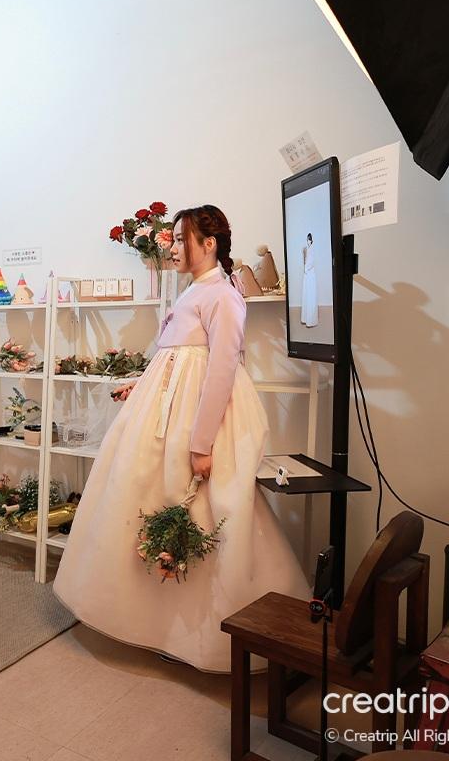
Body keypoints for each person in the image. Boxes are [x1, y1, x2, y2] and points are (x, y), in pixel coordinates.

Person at [52, 205, 308, 673]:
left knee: (204, 509)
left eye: (179, 239)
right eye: (170, 239)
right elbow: (175, 359)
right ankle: (156, 624)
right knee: (149, 496)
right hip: (166, 415)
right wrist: (141, 384)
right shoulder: (195, 290)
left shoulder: (224, 294)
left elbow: (221, 370)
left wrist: (201, 443)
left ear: (208, 244)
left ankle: (201, 633)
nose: (170, 247)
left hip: (194, 423)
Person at [301, 233, 319, 327]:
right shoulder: (307, 249)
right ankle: (305, 318)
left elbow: (310, 262)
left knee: (311, 295)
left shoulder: (312, 249)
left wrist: (306, 268)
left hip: (310, 274)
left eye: (309, 240)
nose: (308, 241)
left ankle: (311, 320)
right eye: (307, 240)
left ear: (311, 241)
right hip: (307, 275)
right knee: (307, 294)